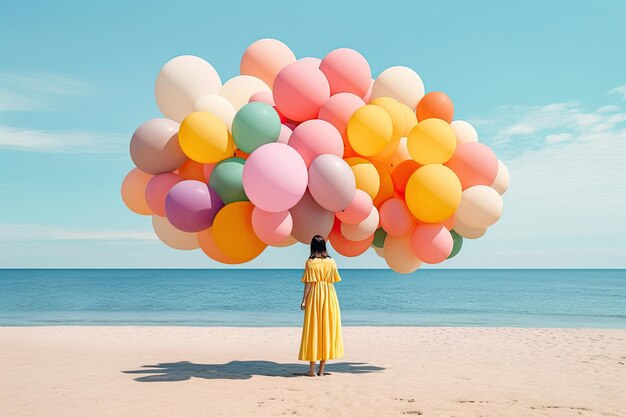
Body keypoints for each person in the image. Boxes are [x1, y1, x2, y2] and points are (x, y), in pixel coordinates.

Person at [298, 235, 344, 376]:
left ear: (312, 246)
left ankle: (311, 371)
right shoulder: (332, 262)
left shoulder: (310, 262)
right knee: (326, 330)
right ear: (324, 246)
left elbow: (309, 283)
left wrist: (304, 300)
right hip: (330, 297)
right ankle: (322, 371)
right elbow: (333, 279)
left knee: (314, 330)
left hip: (315, 296)